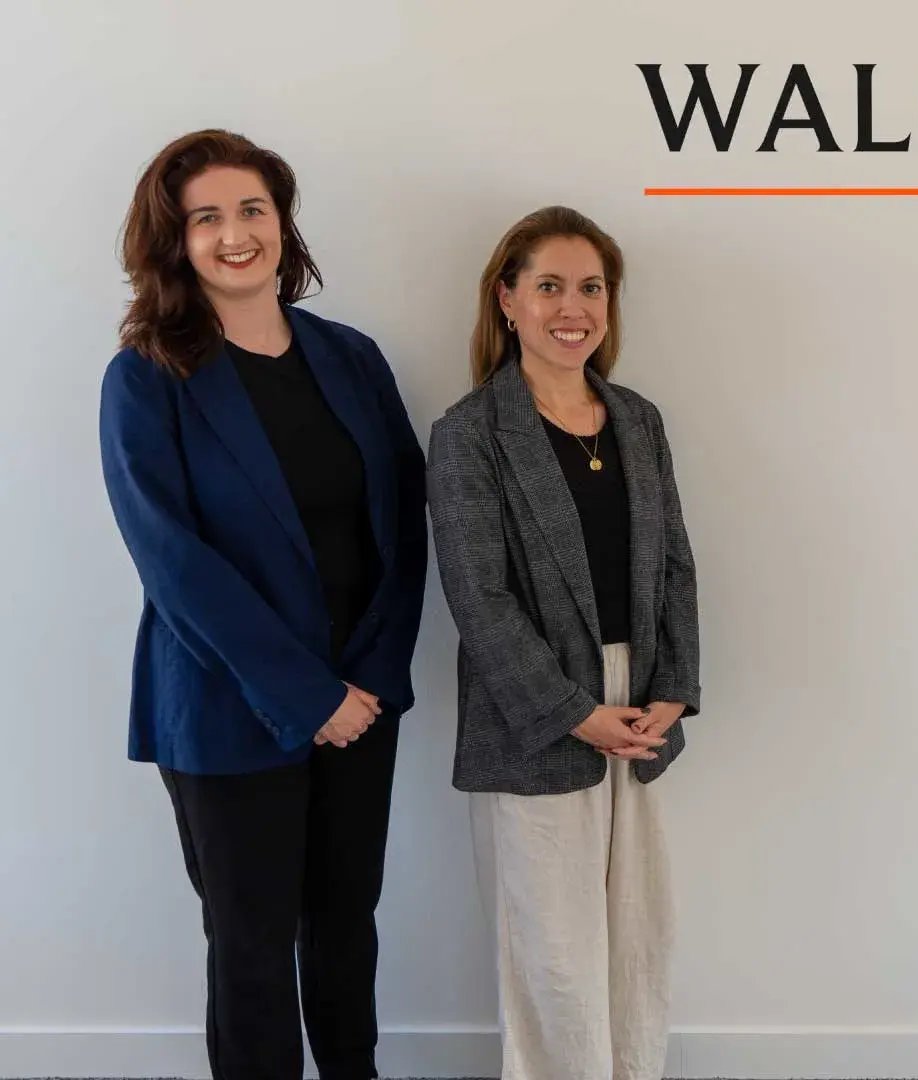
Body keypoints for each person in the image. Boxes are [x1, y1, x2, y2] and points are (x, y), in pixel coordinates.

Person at [97, 129, 427, 1080]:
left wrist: (363, 678)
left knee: (344, 924)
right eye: (207, 218)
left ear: (282, 222)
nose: (236, 234)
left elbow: (401, 526)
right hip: (225, 705)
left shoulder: (353, 359)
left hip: (362, 702)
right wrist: (306, 693)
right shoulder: (147, 375)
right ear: (175, 241)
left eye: (253, 210)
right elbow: (173, 560)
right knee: (249, 945)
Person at [427, 205, 701, 1080]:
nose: (572, 306)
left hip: (640, 713)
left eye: (590, 287)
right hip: (540, 718)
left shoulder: (638, 419)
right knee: (552, 960)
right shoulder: (469, 435)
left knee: (638, 941)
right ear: (507, 300)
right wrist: (575, 712)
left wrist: (673, 688)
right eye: (549, 286)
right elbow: (479, 599)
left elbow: (675, 569)